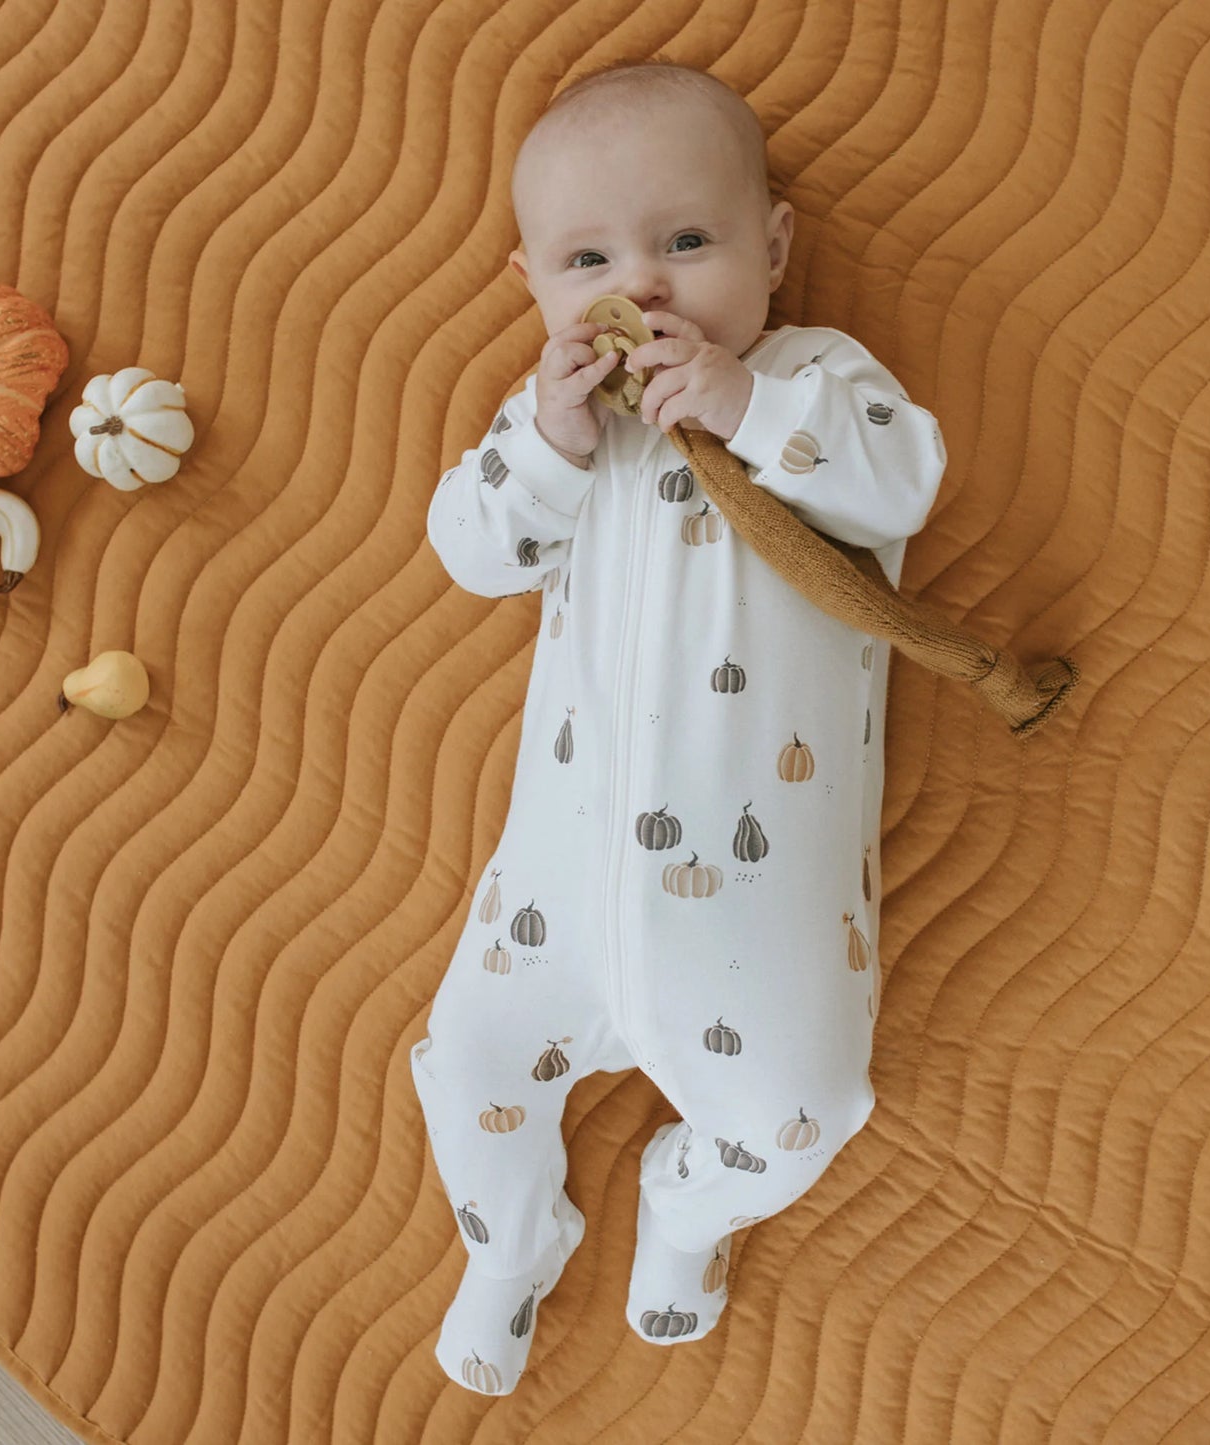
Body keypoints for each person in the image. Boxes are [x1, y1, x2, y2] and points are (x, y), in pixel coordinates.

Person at [409, 57, 947, 1395]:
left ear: (771, 249)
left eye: (686, 242)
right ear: (531, 282)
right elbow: (473, 549)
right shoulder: (560, 430)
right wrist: (544, 436)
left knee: (801, 1112)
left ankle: (691, 1198)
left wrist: (750, 407)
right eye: (587, 256)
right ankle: (515, 1235)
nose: (639, 288)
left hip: (754, 906)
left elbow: (906, 482)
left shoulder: (814, 379)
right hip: (552, 893)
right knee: (460, 1061)